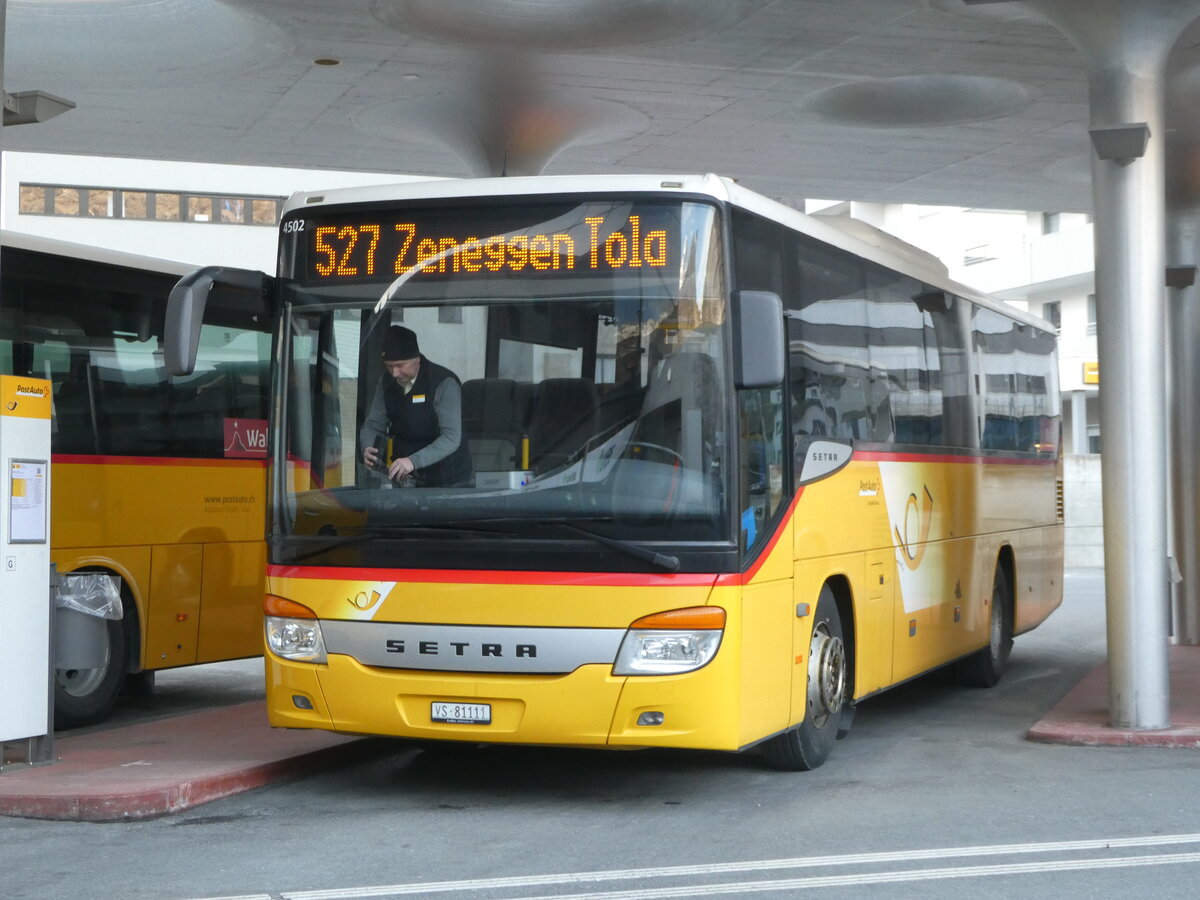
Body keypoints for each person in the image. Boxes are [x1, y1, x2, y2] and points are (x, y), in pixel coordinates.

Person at [360, 325, 473, 487]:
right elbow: (373, 424)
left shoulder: (444, 383)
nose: (394, 373)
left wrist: (413, 461)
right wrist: (368, 446)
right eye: (389, 366)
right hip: (408, 480)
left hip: (451, 480)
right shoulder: (386, 383)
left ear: (416, 359)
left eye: (400, 365)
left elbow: (451, 437)